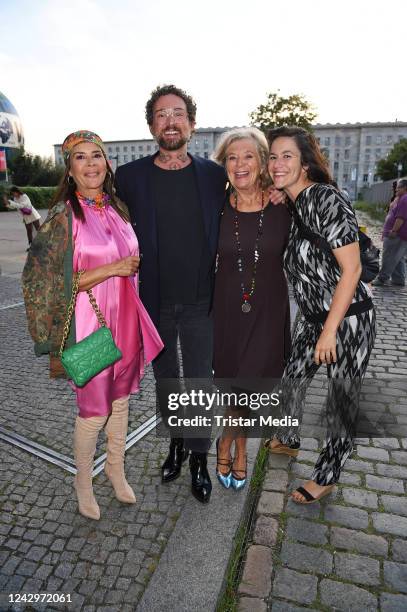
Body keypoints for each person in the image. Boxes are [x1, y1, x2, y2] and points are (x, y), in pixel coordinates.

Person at [22, 130, 163, 520]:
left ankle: (116, 470)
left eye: (96, 156)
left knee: (121, 400)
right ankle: (83, 481)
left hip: (126, 320)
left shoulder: (117, 208)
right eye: (80, 158)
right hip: (89, 323)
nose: (90, 164)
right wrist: (113, 269)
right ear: (69, 169)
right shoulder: (63, 218)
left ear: (106, 163)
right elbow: (46, 281)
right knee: (93, 410)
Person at [115, 85, 226, 504]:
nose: (171, 121)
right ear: (151, 126)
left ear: (192, 125)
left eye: (178, 113)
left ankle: (198, 456)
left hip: (201, 302)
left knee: (198, 383)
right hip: (153, 302)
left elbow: (246, 205)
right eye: (162, 114)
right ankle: (176, 443)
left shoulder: (215, 176)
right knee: (167, 384)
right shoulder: (129, 178)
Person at [266, 126, 376, 504]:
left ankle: (327, 475)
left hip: (347, 319)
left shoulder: (325, 198)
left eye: (287, 156)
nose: (278, 164)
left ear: (305, 162)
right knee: (293, 379)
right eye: (273, 156)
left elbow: (353, 269)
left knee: (341, 400)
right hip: (315, 318)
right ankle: (290, 437)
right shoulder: (294, 203)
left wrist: (329, 331)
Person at [212, 127, 291, 490]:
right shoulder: (215, 206)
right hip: (227, 312)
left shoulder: (284, 204)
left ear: (262, 162)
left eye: (248, 156)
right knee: (235, 387)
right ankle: (238, 445)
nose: (240, 164)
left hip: (269, 313)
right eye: (232, 157)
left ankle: (229, 443)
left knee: (250, 387)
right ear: (224, 164)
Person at [372, 178, 407, 287]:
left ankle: (382, 279)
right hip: (399, 234)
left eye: (398, 188)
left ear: (405, 188)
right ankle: (399, 279)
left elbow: (400, 217)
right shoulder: (400, 198)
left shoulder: (405, 199)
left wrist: (394, 230)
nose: (396, 189)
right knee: (398, 257)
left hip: (397, 234)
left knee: (389, 257)